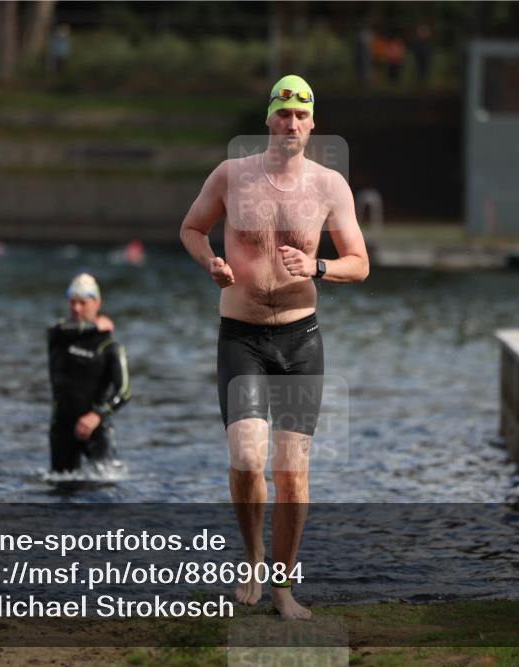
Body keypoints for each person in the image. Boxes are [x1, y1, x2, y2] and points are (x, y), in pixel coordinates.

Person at [179, 75, 369, 619]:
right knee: (244, 459)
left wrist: (318, 266)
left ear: (312, 124)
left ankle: (283, 587)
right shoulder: (231, 176)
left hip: (300, 339)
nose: (291, 123)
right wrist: (210, 261)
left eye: (301, 115)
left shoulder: (330, 186)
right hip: (240, 338)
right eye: (283, 113)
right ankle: (254, 555)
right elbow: (192, 228)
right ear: (268, 119)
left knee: (291, 473)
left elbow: (360, 263)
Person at [47, 273, 130, 473]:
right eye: (72, 302)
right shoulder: (58, 336)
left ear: (97, 303)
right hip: (62, 429)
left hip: (96, 430)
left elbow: (124, 392)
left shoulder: (110, 347)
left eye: (82, 303)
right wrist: (94, 326)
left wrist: (96, 415)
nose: (76, 308)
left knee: (101, 492)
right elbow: (57, 327)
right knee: (60, 490)